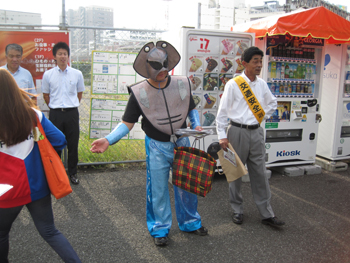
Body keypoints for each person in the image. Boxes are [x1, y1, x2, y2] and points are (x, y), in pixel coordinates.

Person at [90, 41, 208, 246]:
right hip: (156, 145)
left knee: (186, 186)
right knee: (158, 189)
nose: (162, 70)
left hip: (182, 141)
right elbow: (127, 123)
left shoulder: (182, 83)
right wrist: (108, 140)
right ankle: (160, 228)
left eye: (164, 64)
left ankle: (190, 222)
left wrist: (196, 124)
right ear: (147, 68)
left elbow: (190, 108)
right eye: (156, 66)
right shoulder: (139, 92)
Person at [0, 68, 81, 263]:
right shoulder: (33, 115)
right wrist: (36, 140)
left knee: (2, 234)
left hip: (6, 190)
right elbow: (60, 140)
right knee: (49, 231)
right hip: (37, 184)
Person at [216, 46, 285, 227]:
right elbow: (222, 113)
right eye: (255, 61)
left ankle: (267, 213)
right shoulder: (234, 84)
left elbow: (272, 103)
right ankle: (237, 209)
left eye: (260, 61)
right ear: (244, 63)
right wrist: (222, 136)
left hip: (256, 132)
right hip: (236, 132)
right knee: (235, 172)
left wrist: (260, 116)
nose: (259, 65)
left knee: (260, 173)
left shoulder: (261, 84)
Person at [42, 42, 85, 185]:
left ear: (68, 56)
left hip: (72, 113)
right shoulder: (48, 75)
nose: (62, 56)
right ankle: (56, 174)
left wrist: (70, 106)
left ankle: (72, 173)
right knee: (56, 145)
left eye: (64, 54)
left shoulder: (77, 74)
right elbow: (46, 95)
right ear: (54, 56)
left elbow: (79, 94)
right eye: (59, 53)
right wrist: (55, 108)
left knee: (73, 145)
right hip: (55, 114)